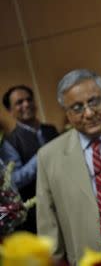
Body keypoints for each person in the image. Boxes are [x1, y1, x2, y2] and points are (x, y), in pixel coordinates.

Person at [36, 70, 101, 265]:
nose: (89, 113)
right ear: (66, 113)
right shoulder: (49, 157)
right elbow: (49, 228)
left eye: (94, 102)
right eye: (77, 107)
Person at [2, 85, 59, 232]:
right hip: (38, 212)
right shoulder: (10, 141)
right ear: (10, 111)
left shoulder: (51, 130)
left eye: (29, 99)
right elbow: (14, 180)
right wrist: (41, 156)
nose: (26, 104)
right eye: (19, 102)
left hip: (65, 199)